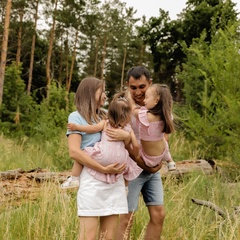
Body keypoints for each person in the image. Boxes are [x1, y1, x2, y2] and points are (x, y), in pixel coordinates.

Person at [106, 66, 175, 240]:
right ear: (127, 86)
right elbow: (112, 137)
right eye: (133, 88)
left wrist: (156, 165)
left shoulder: (159, 109)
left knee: (159, 215)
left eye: (142, 87)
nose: (138, 92)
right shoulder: (122, 107)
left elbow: (163, 140)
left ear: (150, 84)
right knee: (126, 218)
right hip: (131, 169)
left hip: (152, 169)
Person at [65, 77, 129, 240]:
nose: (106, 96)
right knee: (89, 236)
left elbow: (127, 138)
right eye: (103, 91)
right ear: (91, 93)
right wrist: (103, 168)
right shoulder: (76, 117)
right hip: (93, 181)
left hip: (114, 180)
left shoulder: (106, 116)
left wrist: (127, 137)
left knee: (108, 236)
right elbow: (74, 152)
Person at [66, 91, 142, 186]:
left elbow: (93, 128)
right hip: (121, 160)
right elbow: (135, 146)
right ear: (127, 115)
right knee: (129, 166)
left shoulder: (106, 122)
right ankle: (126, 188)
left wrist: (77, 127)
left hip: (103, 155)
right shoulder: (128, 128)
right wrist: (136, 155)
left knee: (82, 154)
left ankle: (74, 179)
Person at [126, 83, 176, 171]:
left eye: (147, 97)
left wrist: (129, 97)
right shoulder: (166, 116)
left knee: (128, 142)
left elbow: (133, 108)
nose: (144, 100)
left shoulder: (146, 116)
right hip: (162, 153)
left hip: (148, 158)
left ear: (156, 101)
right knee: (163, 142)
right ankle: (170, 161)